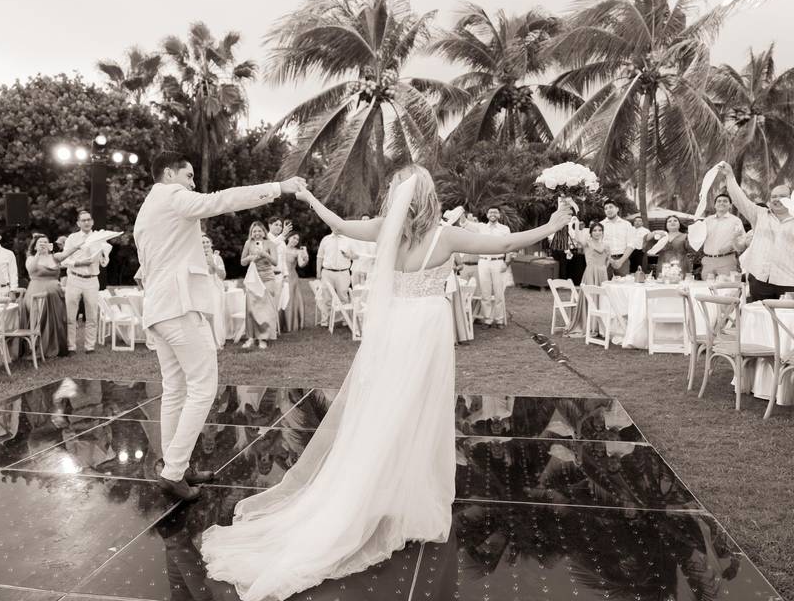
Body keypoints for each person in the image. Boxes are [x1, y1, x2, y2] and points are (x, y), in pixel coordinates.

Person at [199, 164, 571, 601]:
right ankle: (406, 501)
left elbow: (337, 224)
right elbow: (504, 243)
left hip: (396, 330)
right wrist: (552, 224)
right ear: (430, 196)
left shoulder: (384, 229)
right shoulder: (444, 236)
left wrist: (309, 199)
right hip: (429, 330)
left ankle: (379, 493)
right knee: (420, 415)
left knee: (384, 411)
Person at [132, 150, 306, 501]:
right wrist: (278, 187)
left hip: (159, 307)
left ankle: (174, 464)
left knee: (176, 388)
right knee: (203, 386)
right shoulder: (172, 196)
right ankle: (174, 470)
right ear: (168, 173)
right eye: (189, 176)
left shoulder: (146, 210)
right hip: (179, 307)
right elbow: (222, 200)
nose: (193, 184)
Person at [720, 162, 794, 301]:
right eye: (774, 196)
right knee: (760, 319)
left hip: (789, 282)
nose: (777, 200)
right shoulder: (760, 214)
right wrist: (730, 176)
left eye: (782, 196)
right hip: (759, 279)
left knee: (788, 321)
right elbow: (740, 200)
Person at [25, 234, 83, 359]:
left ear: (49, 245)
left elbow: (66, 253)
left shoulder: (55, 257)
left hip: (55, 294)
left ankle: (56, 347)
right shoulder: (31, 258)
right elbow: (30, 270)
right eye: (40, 242)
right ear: (35, 246)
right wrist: (38, 254)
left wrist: (77, 246)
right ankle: (39, 348)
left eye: (45, 242)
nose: (43, 244)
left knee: (57, 320)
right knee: (40, 319)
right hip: (36, 292)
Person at [62, 211, 111, 354]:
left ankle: (90, 346)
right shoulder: (72, 238)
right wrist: (78, 263)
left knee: (92, 314)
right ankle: (71, 346)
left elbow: (104, 263)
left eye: (89, 219)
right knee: (71, 315)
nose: (86, 222)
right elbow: (64, 260)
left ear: (93, 221)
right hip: (74, 278)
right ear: (78, 223)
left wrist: (104, 253)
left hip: (92, 280)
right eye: (83, 220)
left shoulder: (99, 238)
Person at [565, 222, 611, 337]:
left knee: (602, 299)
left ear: (603, 232)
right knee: (591, 299)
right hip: (591, 273)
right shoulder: (587, 243)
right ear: (591, 233)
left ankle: (600, 326)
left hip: (602, 274)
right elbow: (577, 237)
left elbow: (608, 260)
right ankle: (591, 325)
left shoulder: (606, 245)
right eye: (595, 230)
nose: (597, 232)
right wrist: (575, 223)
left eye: (600, 230)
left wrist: (603, 269)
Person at [241, 222, 279, 349]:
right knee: (251, 308)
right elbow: (242, 262)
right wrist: (251, 258)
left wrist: (264, 254)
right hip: (253, 278)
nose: (257, 234)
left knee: (266, 308)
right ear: (251, 233)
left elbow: (275, 262)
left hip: (267, 278)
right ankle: (251, 337)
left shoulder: (270, 244)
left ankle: (263, 338)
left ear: (264, 232)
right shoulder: (248, 244)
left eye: (259, 231)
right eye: (254, 231)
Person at [476, 207, 512, 328]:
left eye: (495, 212)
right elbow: (465, 224)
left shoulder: (504, 229)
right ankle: (487, 320)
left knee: (499, 292)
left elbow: (509, 246)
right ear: (487, 215)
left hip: (498, 262)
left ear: (499, 215)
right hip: (483, 262)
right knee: (485, 293)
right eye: (491, 212)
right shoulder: (481, 228)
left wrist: (506, 263)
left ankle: (499, 320)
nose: (493, 214)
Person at [696, 193, 745, 278]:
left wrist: (730, 247)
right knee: (706, 288)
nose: (721, 203)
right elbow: (698, 238)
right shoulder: (707, 221)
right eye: (719, 201)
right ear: (715, 205)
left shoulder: (736, 221)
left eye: (725, 201)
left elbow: (742, 240)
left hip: (726, 260)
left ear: (730, 205)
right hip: (708, 261)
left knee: (727, 289)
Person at [315, 228, 353, 327]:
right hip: (327, 272)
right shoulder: (326, 239)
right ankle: (325, 321)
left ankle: (344, 320)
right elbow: (319, 256)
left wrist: (349, 255)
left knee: (343, 296)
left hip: (343, 272)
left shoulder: (348, 240)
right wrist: (318, 272)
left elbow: (355, 255)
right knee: (326, 297)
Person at [600, 201, 638, 278]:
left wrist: (621, 261)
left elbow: (631, 244)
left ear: (617, 209)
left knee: (623, 285)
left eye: (611, 207)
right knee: (604, 285)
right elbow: (598, 244)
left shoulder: (626, 224)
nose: (608, 210)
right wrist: (610, 259)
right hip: (605, 260)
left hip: (623, 260)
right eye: (606, 208)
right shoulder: (601, 225)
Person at [202, 234, 227, 349]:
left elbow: (223, 275)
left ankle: (217, 341)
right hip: (202, 288)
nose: (205, 244)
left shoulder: (218, 258)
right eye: (203, 242)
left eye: (207, 242)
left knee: (216, 313)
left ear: (211, 244)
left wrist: (213, 264)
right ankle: (205, 341)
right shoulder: (196, 258)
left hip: (215, 287)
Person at [282, 233, 309, 332]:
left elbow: (301, 265)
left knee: (290, 300)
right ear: (288, 237)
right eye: (294, 238)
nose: (295, 241)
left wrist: (306, 258)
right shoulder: (281, 247)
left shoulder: (297, 251)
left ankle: (290, 325)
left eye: (297, 239)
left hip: (292, 278)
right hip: (279, 277)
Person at [350, 214, 377, 287]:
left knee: (370, 293)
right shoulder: (355, 236)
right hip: (357, 268)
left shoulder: (375, 236)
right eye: (363, 220)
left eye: (367, 220)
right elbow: (352, 254)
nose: (365, 222)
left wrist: (361, 256)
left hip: (371, 270)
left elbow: (377, 255)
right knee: (356, 292)